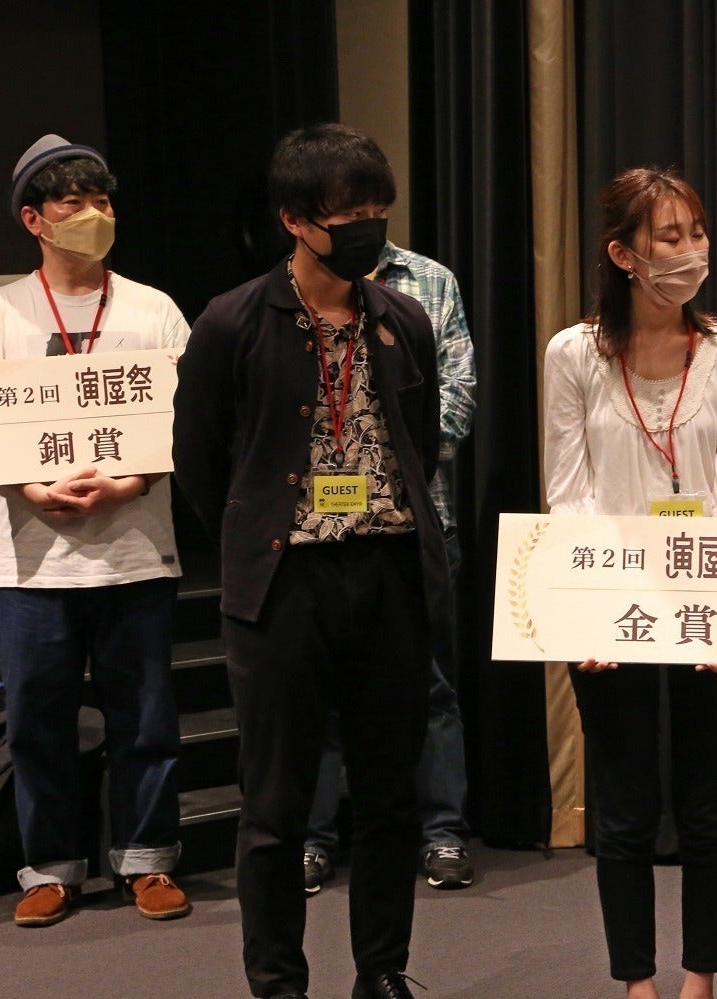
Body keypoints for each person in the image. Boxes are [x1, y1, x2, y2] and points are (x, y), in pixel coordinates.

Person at [173, 123, 445, 999]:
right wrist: (259, 534)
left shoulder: (401, 319)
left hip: (389, 574)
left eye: (376, 211)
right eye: (347, 215)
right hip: (285, 583)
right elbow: (199, 461)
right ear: (294, 220)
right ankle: (279, 983)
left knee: (390, 796)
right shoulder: (233, 322)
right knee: (276, 805)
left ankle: (382, 970)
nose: (367, 228)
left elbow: (421, 443)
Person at [0, 134, 191, 928]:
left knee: (145, 718)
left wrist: (130, 481)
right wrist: (30, 486)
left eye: (103, 200)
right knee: (38, 722)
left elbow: (189, 416)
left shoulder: (153, 308)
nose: (94, 214)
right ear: (34, 219)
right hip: (32, 561)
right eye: (74, 202)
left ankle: (148, 860)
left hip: (135, 549)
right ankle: (51, 867)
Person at [543, 167, 717, 999]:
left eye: (696, 233)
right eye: (670, 237)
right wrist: (588, 617)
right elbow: (569, 491)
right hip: (613, 599)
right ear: (623, 254)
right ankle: (636, 981)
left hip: (709, 594)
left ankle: (700, 977)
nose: (691, 251)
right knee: (625, 807)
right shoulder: (574, 353)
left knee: (708, 804)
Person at [303, 239, 477, 894]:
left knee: (430, 687)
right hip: (315, 527)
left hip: (416, 520)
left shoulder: (430, 282)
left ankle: (442, 833)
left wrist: (388, 451)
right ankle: (312, 840)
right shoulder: (285, 291)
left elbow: (458, 396)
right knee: (317, 693)